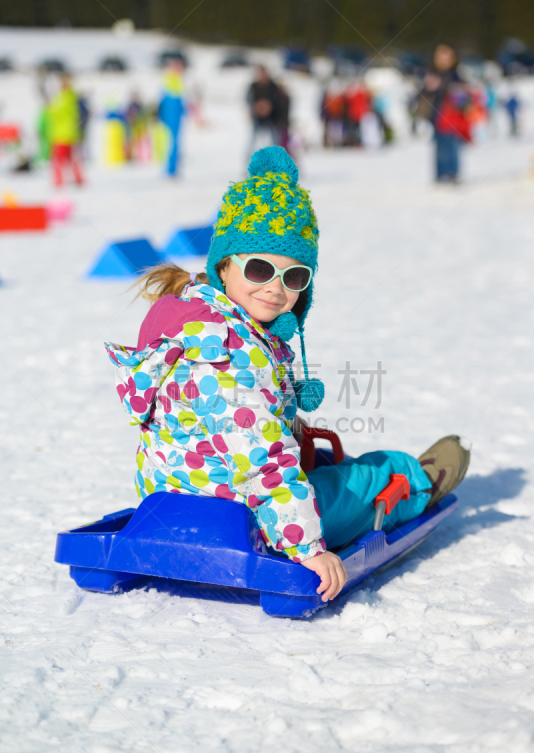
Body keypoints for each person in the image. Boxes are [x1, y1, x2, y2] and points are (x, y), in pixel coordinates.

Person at [106, 146, 470, 602]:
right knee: (365, 479)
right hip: (248, 515)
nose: (275, 289)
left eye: (294, 276)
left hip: (168, 501)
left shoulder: (185, 321)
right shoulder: (228, 354)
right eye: (259, 268)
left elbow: (224, 433)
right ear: (224, 264)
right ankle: (419, 479)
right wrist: (307, 548)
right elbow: (264, 463)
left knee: (309, 458)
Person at [418, 44, 471, 183]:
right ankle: (441, 174)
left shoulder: (456, 76)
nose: (443, 60)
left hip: (453, 118)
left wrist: (462, 93)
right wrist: (429, 88)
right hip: (436, 117)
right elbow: (421, 97)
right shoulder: (431, 75)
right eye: (441, 56)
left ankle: (452, 173)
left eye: (447, 56)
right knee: (440, 146)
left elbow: (465, 99)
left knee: (452, 145)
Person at [47, 73, 84, 187]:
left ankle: (59, 182)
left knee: (59, 160)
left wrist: (50, 107)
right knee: (72, 159)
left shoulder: (65, 97)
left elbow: (56, 113)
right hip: (69, 133)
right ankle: (77, 180)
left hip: (62, 134)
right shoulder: (71, 96)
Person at [158, 57, 187, 177]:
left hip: (173, 114)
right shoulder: (172, 79)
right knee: (171, 143)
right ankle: (171, 170)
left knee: (173, 142)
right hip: (171, 114)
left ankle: (172, 169)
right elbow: (169, 100)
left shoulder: (174, 79)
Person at [246, 66, 282, 154]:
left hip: (272, 118)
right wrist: (257, 107)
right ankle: (249, 162)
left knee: (275, 141)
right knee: (252, 141)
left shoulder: (273, 86)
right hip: (257, 118)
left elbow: (278, 101)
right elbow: (248, 99)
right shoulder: (253, 86)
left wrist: (268, 107)